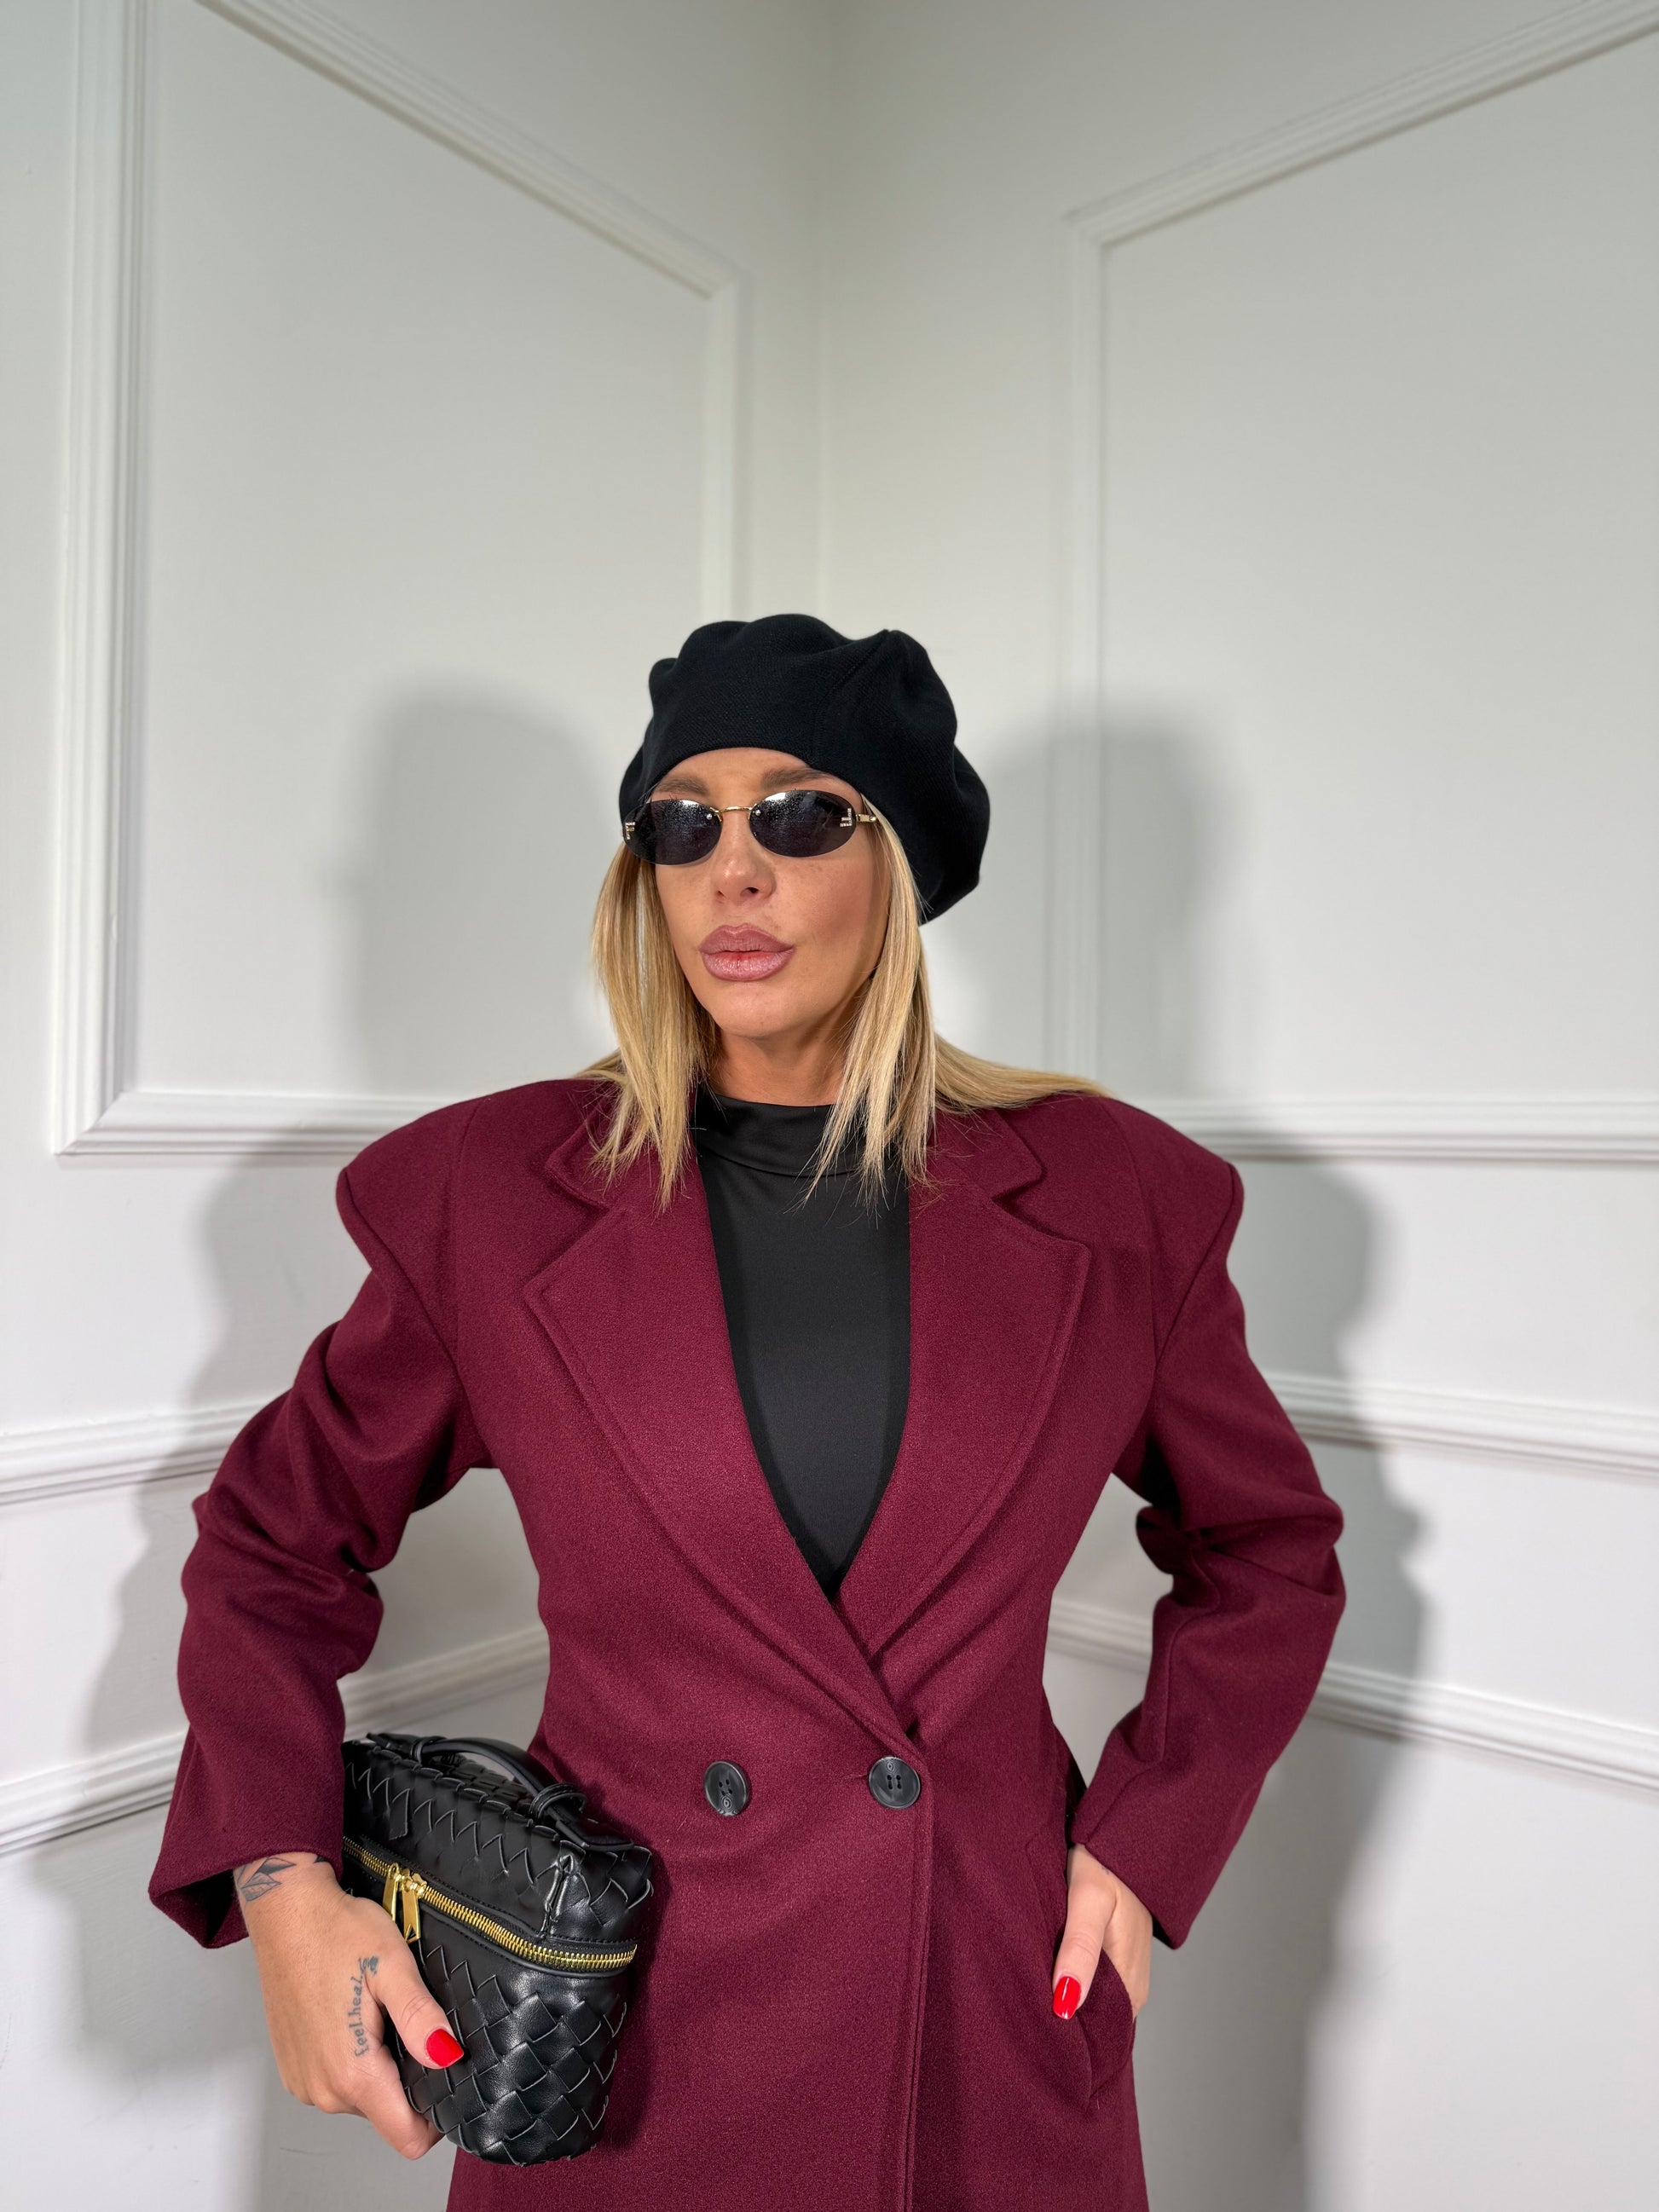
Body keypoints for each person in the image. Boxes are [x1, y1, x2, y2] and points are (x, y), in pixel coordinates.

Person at [150, 613, 1345, 2211]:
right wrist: (285, 1886)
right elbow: (270, 1545)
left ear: (897, 862)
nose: (733, 871)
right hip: (635, 2042)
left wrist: (1145, 1841)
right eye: (682, 823)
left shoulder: (1119, 1200)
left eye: (797, 815)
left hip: (982, 2013)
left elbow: (1268, 1551)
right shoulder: (489, 1204)